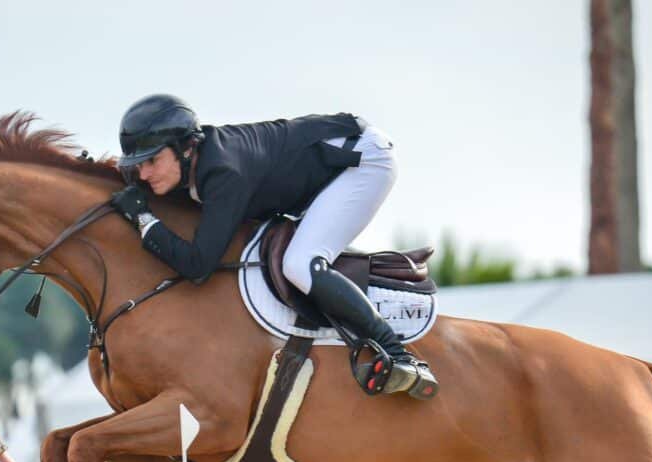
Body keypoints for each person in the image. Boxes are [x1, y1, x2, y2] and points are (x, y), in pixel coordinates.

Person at [108, 94, 438, 399]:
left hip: (362, 161)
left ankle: (398, 355)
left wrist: (143, 220)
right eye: (138, 164)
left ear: (186, 147)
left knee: (300, 264)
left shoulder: (224, 171)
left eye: (152, 161)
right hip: (328, 164)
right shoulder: (192, 162)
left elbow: (197, 266)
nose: (144, 172)